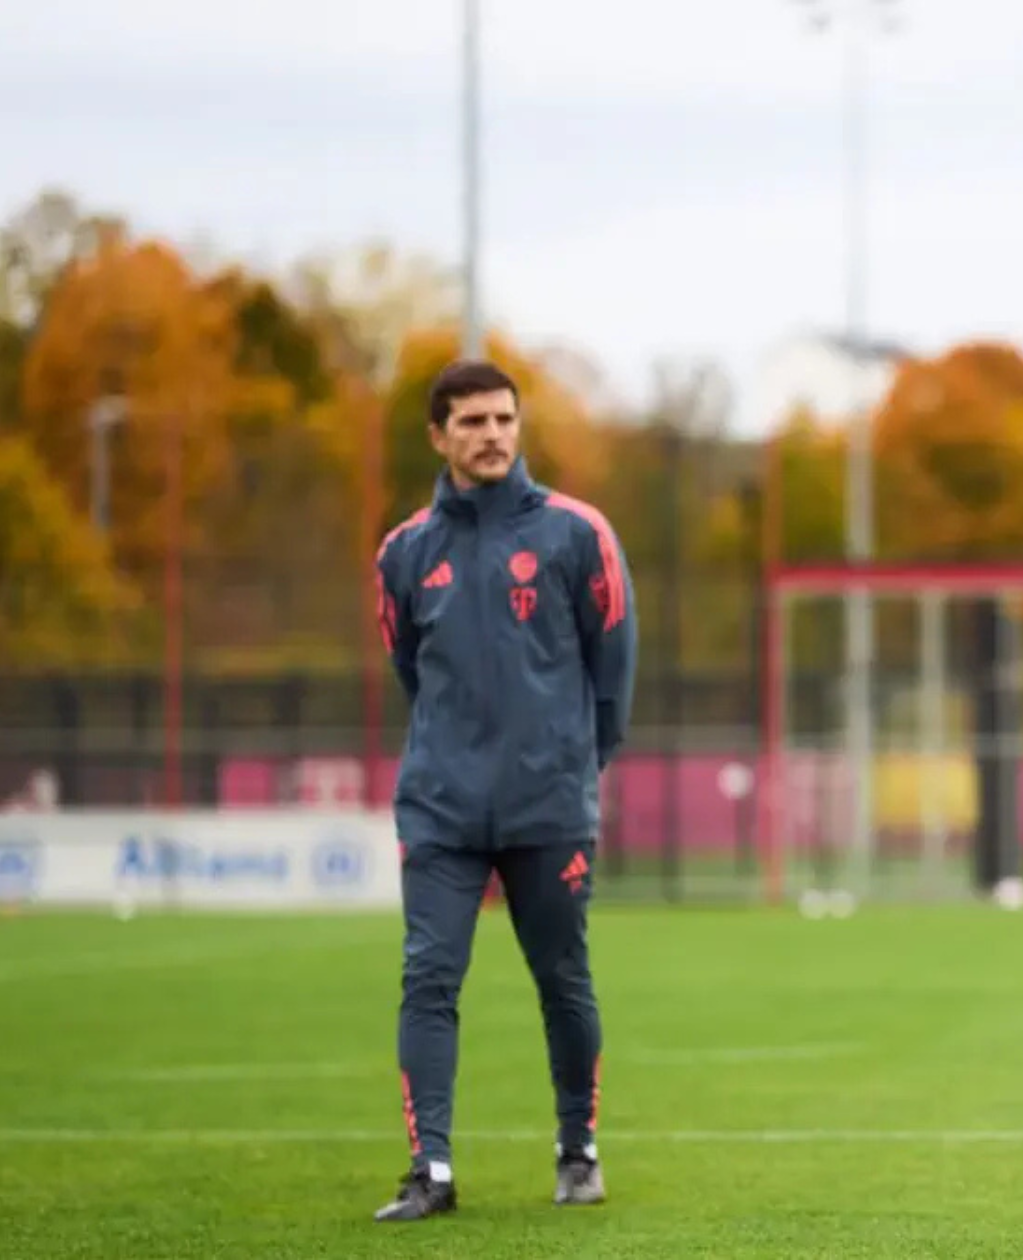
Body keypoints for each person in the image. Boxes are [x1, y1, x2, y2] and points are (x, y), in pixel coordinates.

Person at [369, 358, 638, 1222]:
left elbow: (613, 667)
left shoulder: (575, 533)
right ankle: (431, 1171)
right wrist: (457, 755)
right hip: (442, 808)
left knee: (562, 979)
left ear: (519, 427)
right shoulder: (404, 553)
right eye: (472, 422)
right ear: (438, 436)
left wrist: (571, 764)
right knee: (428, 978)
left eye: (503, 419)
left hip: (548, 804)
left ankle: (578, 1149)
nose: (490, 435)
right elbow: (411, 666)